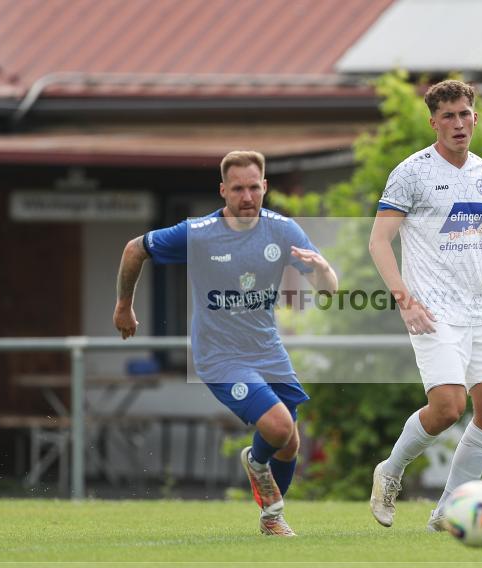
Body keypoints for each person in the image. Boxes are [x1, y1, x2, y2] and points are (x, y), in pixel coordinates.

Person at [113, 150, 338, 536]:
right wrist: (123, 305)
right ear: (223, 191)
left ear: (265, 186)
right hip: (220, 357)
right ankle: (256, 463)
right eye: (237, 189)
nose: (247, 197)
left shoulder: (283, 231)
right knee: (278, 427)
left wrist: (322, 271)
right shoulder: (199, 233)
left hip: (267, 349)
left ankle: (271, 519)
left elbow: (329, 289)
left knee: (289, 443)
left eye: (253, 188)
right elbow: (135, 249)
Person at [368, 80, 482, 531]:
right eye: (448, 116)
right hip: (433, 308)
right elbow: (379, 241)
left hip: (481, 306)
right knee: (448, 407)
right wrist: (405, 300)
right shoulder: (411, 172)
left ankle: (448, 510)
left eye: (464, 114)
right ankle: (390, 471)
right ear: (433, 122)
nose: (458, 124)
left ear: (475, 118)